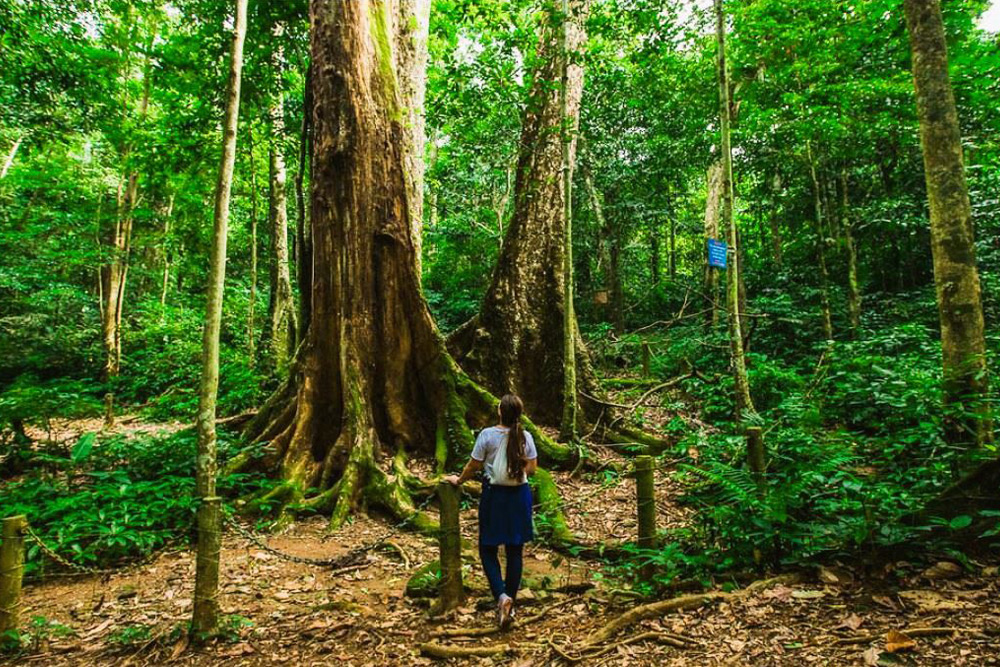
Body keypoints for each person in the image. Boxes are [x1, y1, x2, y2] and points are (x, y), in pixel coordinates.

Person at [445, 393, 538, 630]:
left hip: (495, 496)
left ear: (500, 412)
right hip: (519, 496)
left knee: (487, 547)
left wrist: (460, 480)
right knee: (514, 548)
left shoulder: (487, 435)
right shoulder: (525, 436)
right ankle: (511, 600)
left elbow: (474, 465)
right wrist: (515, 469)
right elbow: (532, 468)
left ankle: (501, 596)